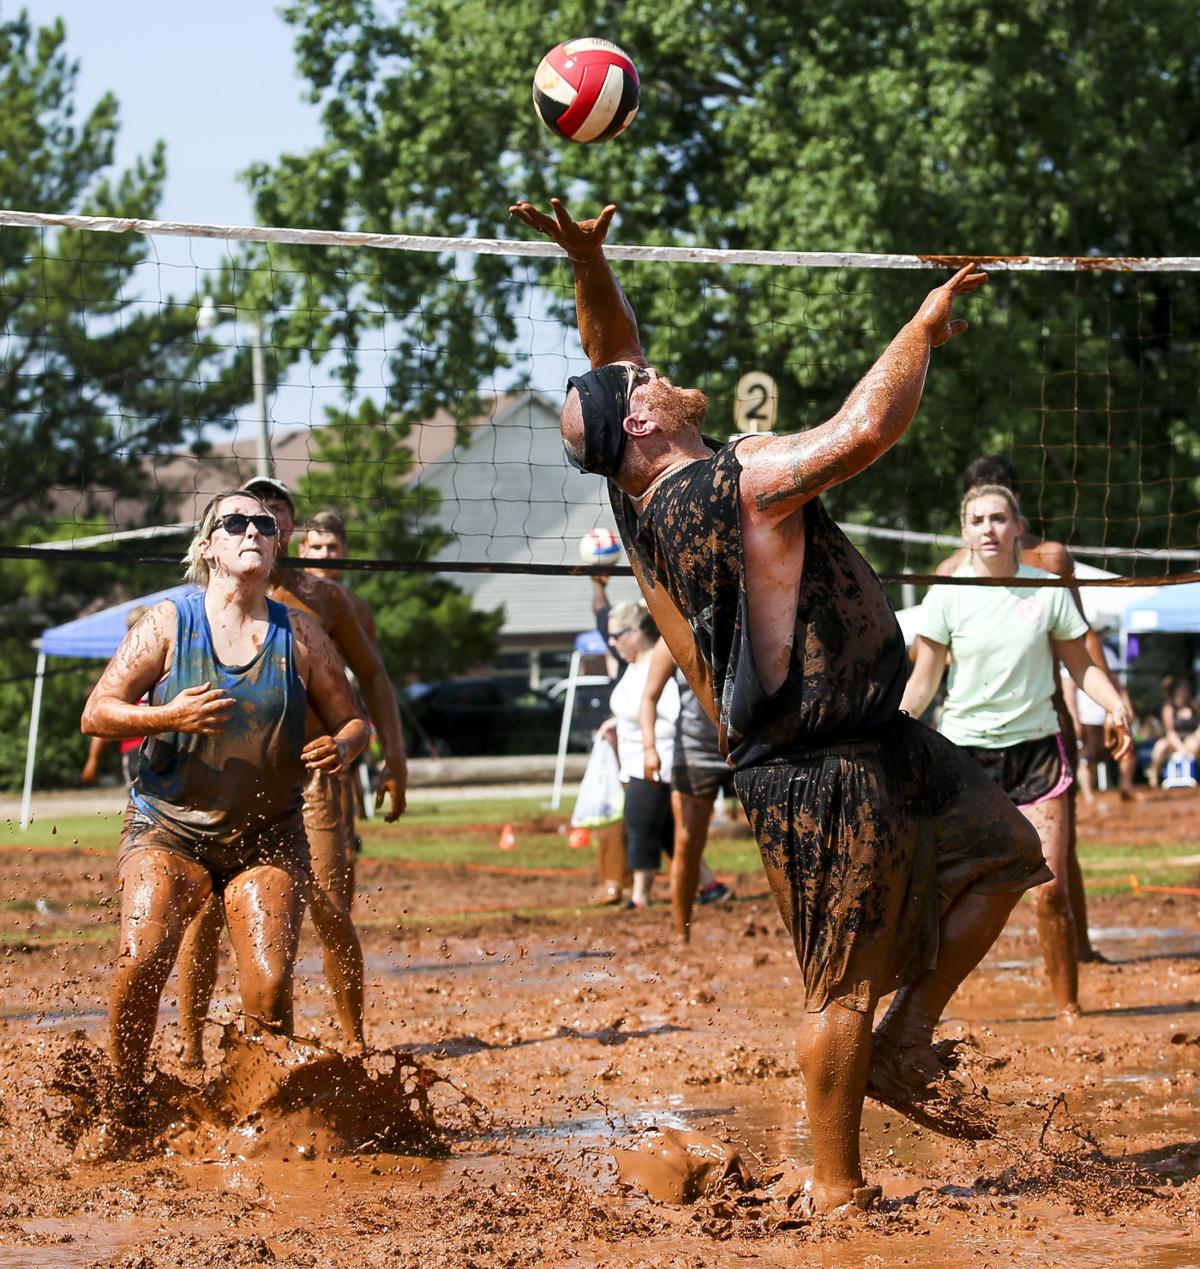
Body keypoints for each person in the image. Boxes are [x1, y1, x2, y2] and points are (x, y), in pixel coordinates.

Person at [511, 195, 1050, 1214]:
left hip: (875, 735)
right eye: (651, 381)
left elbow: (610, 349)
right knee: (838, 987)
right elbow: (868, 428)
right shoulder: (739, 480)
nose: (662, 370)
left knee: (1008, 856)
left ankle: (909, 1039)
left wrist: (589, 259)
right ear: (644, 419)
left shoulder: (639, 497)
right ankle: (836, 1187)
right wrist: (920, 327)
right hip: (812, 766)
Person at [80, 491, 368, 1131]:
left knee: (267, 982)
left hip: (265, 834)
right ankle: (122, 1107)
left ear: (277, 547)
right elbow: (96, 712)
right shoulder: (165, 623)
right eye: (234, 523)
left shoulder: (300, 633)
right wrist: (167, 715)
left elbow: (355, 719)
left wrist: (341, 746)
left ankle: (258, 1122)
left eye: (264, 525)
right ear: (208, 545)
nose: (251, 532)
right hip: (169, 828)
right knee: (142, 955)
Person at [176, 477, 409, 1067]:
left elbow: (374, 681)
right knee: (203, 910)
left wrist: (392, 759)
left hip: (313, 774)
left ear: (287, 530)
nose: (259, 521)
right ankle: (190, 1046)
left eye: (273, 510)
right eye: (246, 513)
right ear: (220, 536)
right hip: (224, 778)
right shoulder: (198, 600)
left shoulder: (325, 600)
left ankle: (353, 1042)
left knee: (330, 907)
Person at [902, 484, 1133, 1021]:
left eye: (999, 518)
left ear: (1017, 526)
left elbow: (1082, 667)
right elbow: (924, 681)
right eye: (978, 519)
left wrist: (1115, 703)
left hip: (1037, 756)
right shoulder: (945, 593)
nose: (989, 528)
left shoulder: (1047, 588)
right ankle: (922, 1014)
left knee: (1049, 891)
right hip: (965, 759)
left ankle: (1067, 1007)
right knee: (945, 891)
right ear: (964, 532)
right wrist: (897, 724)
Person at [939, 456, 1122, 963]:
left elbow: (1079, 637)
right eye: (978, 506)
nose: (989, 523)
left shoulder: (1050, 559)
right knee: (967, 853)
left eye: (999, 507)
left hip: (1047, 713)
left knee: (1062, 843)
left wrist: (1110, 699)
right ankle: (962, 955)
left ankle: (1077, 944)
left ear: (1016, 509)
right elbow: (938, 656)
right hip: (975, 725)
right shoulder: (950, 574)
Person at [640, 637, 733, 940]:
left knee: (779, 842)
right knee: (686, 842)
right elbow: (648, 698)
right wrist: (649, 748)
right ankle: (682, 932)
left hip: (750, 747)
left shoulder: (742, 620)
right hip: (696, 749)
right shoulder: (672, 636)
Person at [600, 601, 682, 909]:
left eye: (617, 635)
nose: (611, 642)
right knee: (665, 833)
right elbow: (630, 710)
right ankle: (710, 886)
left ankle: (640, 897)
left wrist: (651, 751)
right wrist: (615, 723)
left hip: (656, 761)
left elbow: (670, 717)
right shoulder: (632, 667)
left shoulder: (658, 665)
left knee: (640, 825)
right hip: (634, 762)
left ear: (636, 632)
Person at [81, 607, 149, 790]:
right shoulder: (120, 662)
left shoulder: (172, 654)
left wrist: (93, 760)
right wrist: (93, 759)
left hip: (163, 745)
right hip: (139, 747)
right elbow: (101, 712)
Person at [1148, 677, 1200, 787]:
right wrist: (1182, 748)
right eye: (1181, 688)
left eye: (1186, 688)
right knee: (1160, 747)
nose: (1184, 690)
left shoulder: (1195, 705)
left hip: (1191, 739)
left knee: (1195, 743)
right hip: (1172, 741)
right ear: (1176, 690)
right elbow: (1170, 733)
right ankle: (1153, 776)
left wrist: (1195, 738)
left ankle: (1194, 775)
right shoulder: (1169, 707)